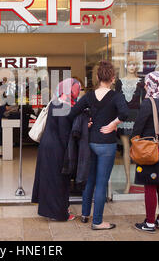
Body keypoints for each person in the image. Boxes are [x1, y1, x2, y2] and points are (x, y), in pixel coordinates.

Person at [68, 60, 129, 230]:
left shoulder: (88, 96)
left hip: (91, 142)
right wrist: (113, 124)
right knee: (101, 183)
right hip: (106, 144)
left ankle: (86, 214)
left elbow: (73, 113)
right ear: (112, 77)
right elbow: (125, 113)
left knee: (91, 180)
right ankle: (98, 221)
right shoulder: (116, 96)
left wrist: (87, 120)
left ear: (96, 77)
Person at [31, 78, 81, 221]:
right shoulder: (64, 106)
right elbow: (64, 132)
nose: (78, 91)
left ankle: (52, 209)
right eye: (77, 88)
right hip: (57, 148)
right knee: (58, 180)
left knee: (49, 179)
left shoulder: (56, 101)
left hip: (47, 146)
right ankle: (59, 213)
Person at [132, 71, 159, 233]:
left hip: (151, 147)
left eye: (147, 82)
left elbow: (138, 127)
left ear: (153, 84)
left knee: (149, 185)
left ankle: (150, 223)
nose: (145, 85)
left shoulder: (148, 103)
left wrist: (133, 139)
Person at [115, 57, 145, 193]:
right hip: (123, 116)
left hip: (137, 116)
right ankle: (128, 182)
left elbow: (144, 102)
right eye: (130, 64)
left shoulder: (141, 82)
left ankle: (140, 181)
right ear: (126, 65)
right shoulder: (119, 82)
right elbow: (116, 101)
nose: (132, 66)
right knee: (126, 149)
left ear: (137, 66)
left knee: (138, 150)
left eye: (134, 64)